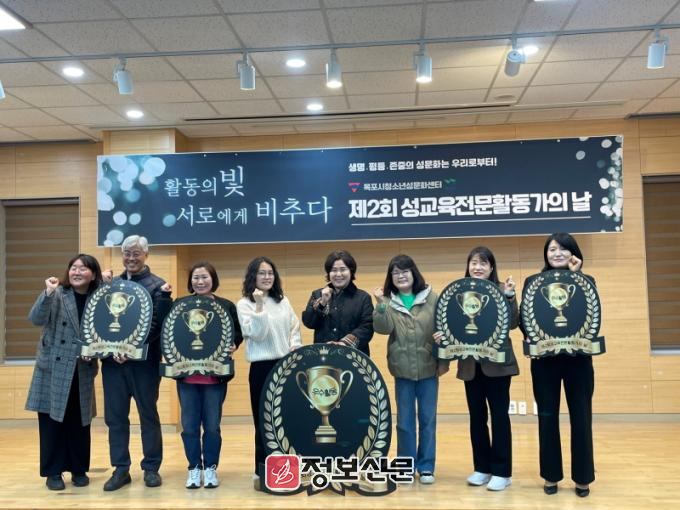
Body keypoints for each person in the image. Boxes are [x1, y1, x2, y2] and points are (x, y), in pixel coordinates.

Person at [525, 233, 595, 498]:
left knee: (581, 418)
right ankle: (551, 475)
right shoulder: (533, 282)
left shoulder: (586, 281)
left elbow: (591, 313)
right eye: (552, 249)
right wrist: (531, 338)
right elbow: (526, 320)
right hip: (545, 363)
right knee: (547, 419)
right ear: (545, 253)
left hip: (579, 361)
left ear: (573, 253)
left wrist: (577, 276)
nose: (557, 254)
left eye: (563, 249)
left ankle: (583, 478)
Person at [25, 254, 103, 490]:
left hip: (83, 368)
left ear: (93, 274)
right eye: (73, 268)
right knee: (52, 422)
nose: (77, 272)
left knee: (79, 422)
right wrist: (47, 293)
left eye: (83, 268)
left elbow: (105, 333)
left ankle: (79, 469)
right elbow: (35, 319)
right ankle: (53, 472)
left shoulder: (99, 298)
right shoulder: (57, 293)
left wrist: (94, 351)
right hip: (53, 368)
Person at [101, 235, 173, 491]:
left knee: (148, 415)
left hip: (144, 363)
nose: (131, 258)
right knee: (115, 418)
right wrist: (114, 349)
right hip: (112, 363)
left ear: (146, 255)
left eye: (136, 253)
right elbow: (101, 320)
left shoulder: (159, 286)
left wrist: (130, 348)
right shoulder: (111, 285)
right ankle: (120, 469)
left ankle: (151, 468)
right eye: (127, 253)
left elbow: (157, 324)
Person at [372, 254, 446, 485]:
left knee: (427, 420)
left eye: (404, 271)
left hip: (429, 368)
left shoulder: (432, 298)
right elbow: (383, 329)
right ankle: (406, 466)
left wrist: (444, 354)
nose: (401, 276)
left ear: (414, 273)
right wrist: (380, 305)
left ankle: (426, 467)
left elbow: (444, 327)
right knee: (404, 422)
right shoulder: (388, 300)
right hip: (402, 369)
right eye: (395, 273)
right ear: (390, 277)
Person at [451, 246, 519, 492]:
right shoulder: (458, 293)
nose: (477, 267)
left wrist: (509, 297)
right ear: (468, 266)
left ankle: (502, 472)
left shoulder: (503, 289)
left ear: (491, 268)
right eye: (473, 263)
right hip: (471, 366)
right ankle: (482, 467)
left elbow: (513, 323)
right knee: (476, 417)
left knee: (499, 417)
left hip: (497, 365)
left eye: (483, 263)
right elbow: (452, 325)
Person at [236, 256, 301, 490]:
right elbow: (258, 334)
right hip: (262, 368)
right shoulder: (244, 304)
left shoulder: (283, 301)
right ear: (253, 276)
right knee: (264, 421)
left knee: (286, 419)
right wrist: (259, 305)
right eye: (262, 273)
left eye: (270, 273)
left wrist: (295, 347)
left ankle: (288, 470)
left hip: (286, 364)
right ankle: (262, 470)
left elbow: (294, 327)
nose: (267, 277)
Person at [178, 262, 243, 489]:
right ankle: (194, 468)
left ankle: (211, 468)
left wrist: (234, 344)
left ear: (213, 279)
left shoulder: (226, 306)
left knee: (212, 426)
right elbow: (170, 331)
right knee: (189, 426)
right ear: (190, 281)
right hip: (187, 378)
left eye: (204, 277)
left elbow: (237, 332)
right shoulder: (180, 305)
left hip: (215, 378)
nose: (200, 281)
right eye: (196, 277)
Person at [302, 250, 373, 355]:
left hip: (353, 357)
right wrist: (322, 303)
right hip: (323, 356)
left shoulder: (363, 298)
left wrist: (344, 343)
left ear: (351, 271)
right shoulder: (317, 294)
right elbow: (309, 323)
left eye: (343, 269)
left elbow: (367, 328)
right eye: (334, 270)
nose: (338, 274)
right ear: (329, 273)